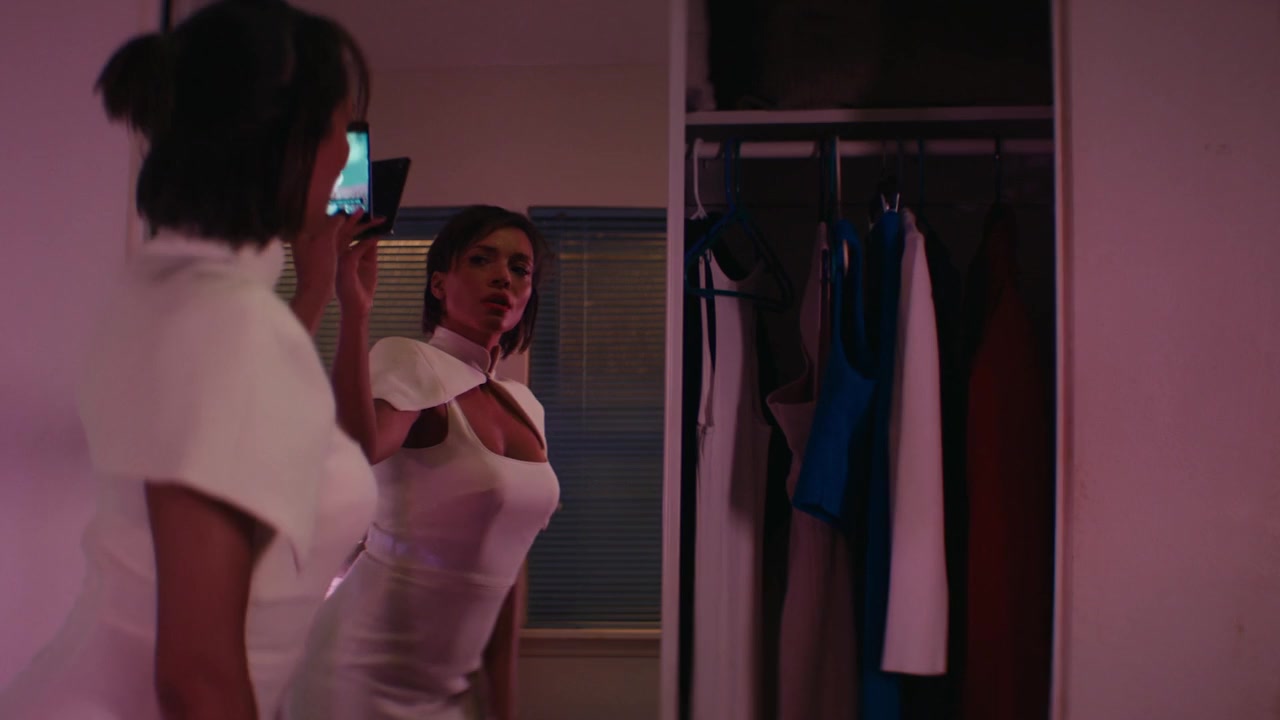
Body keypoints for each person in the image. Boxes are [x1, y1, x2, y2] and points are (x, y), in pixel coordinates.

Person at [0, 2, 382, 718]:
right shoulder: (224, 322)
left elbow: (246, 410)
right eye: (342, 126)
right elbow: (196, 676)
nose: (345, 153)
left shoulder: (177, 292)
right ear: (287, 137)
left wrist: (317, 291)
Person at [286, 205, 562, 720]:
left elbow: (508, 567)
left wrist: (503, 706)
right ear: (439, 284)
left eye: (519, 268)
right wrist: (355, 314)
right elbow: (356, 452)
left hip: (443, 690)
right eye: (481, 259)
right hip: (355, 673)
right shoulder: (411, 361)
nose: (503, 276)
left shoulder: (526, 406)